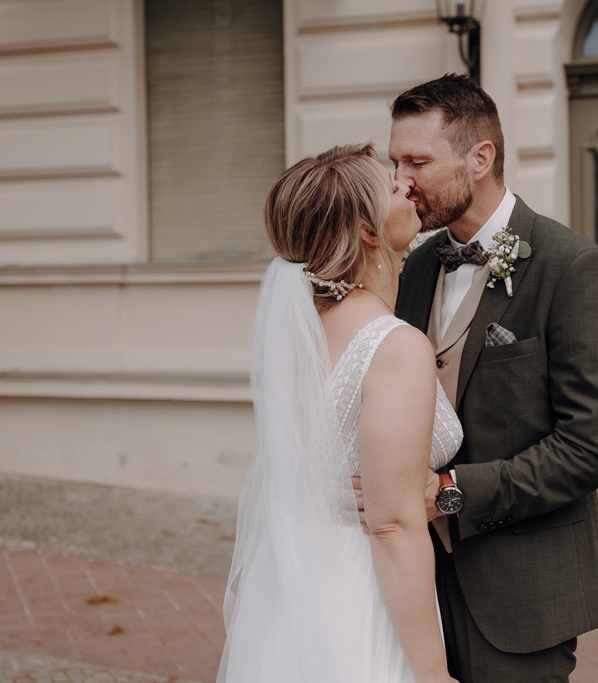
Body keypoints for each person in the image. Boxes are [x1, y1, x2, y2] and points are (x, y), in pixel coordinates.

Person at [388, 74, 598, 682]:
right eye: (395, 162)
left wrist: (449, 491)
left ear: (481, 157)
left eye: (417, 161)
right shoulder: (416, 266)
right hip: (414, 583)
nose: (400, 181)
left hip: (522, 590)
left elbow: (588, 449)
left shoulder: (573, 267)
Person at [217, 143, 461, 683]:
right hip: (363, 598)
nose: (408, 186)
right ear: (369, 231)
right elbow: (393, 525)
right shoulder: (392, 345)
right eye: (394, 189)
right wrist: (432, 673)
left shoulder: (297, 337)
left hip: (295, 588)